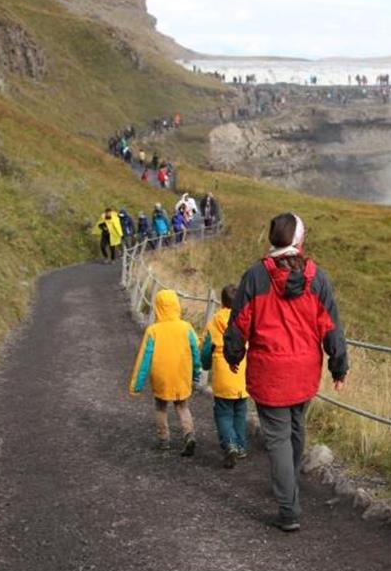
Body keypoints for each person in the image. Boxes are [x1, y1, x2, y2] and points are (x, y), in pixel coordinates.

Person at [224, 212, 348, 532]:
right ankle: (287, 484)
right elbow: (331, 326)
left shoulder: (254, 277)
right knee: (295, 428)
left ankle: (288, 507)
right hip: (305, 371)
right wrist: (338, 366)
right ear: (299, 240)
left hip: (269, 372)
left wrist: (233, 354)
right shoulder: (317, 278)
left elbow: (239, 322)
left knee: (278, 437)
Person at [129, 289, 202, 454]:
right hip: (181, 374)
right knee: (182, 406)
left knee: (161, 407)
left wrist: (137, 385)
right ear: (176, 306)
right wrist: (196, 372)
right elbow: (195, 351)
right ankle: (189, 434)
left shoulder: (153, 331)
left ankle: (164, 439)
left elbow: (144, 360)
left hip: (161, 377)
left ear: (158, 307)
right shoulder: (186, 327)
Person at [201, 284, 249, 468]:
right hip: (243, 375)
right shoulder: (245, 320)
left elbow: (206, 349)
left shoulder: (214, 322)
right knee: (239, 412)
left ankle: (229, 444)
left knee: (223, 413)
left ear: (222, 302)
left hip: (223, 374)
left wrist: (205, 365)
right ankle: (241, 446)